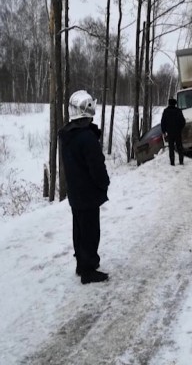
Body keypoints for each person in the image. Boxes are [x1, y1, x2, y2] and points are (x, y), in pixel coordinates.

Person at [58, 90, 110, 285]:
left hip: (75, 192)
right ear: (86, 109)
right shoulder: (86, 138)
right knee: (90, 231)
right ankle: (88, 270)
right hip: (87, 192)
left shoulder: (67, 134)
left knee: (79, 229)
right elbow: (96, 167)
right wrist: (104, 183)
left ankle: (83, 264)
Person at [161, 98, 186, 166]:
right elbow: (183, 121)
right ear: (175, 104)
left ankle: (172, 162)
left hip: (170, 132)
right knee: (179, 146)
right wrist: (180, 128)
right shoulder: (178, 111)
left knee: (171, 147)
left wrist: (164, 131)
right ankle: (181, 160)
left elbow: (163, 122)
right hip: (177, 132)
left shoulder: (166, 111)